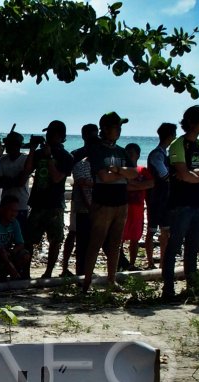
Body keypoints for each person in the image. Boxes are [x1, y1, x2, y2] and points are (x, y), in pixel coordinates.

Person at [164, 105, 199, 301]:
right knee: (174, 246)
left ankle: (191, 288)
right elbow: (183, 175)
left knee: (193, 248)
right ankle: (168, 289)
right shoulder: (178, 145)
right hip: (181, 204)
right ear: (192, 123)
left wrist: (196, 174)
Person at [80, 112, 134, 292]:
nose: (118, 131)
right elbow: (103, 176)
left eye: (120, 127)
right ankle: (86, 282)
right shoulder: (97, 150)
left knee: (115, 244)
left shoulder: (121, 151)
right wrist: (123, 174)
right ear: (105, 129)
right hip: (103, 203)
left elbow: (134, 174)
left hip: (121, 202)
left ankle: (112, 280)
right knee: (95, 243)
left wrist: (117, 170)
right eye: (115, 127)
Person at [25, 120, 74, 279]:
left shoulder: (66, 157)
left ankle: (48, 272)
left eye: (51, 134)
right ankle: (25, 272)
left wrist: (50, 156)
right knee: (29, 239)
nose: (47, 136)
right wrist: (33, 149)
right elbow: (27, 170)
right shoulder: (39, 153)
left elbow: (57, 177)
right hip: (38, 203)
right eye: (47, 133)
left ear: (60, 137)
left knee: (55, 240)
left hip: (54, 204)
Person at [143, 122, 177, 270]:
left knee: (163, 230)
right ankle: (152, 261)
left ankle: (162, 261)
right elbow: (164, 175)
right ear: (170, 136)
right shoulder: (157, 154)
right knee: (154, 229)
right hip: (157, 197)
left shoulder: (161, 154)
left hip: (162, 196)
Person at [67, 124, 99, 279]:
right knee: (79, 236)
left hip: (89, 203)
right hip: (81, 203)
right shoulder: (78, 156)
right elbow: (80, 183)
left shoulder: (81, 155)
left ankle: (83, 269)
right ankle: (79, 269)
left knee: (84, 237)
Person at [0, 195, 29, 281]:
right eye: (11, 210)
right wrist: (11, 268)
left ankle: (12, 276)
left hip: (6, 253)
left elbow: (21, 243)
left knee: (24, 254)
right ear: (2, 209)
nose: (14, 214)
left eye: (16, 211)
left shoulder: (14, 223)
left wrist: (13, 251)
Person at [122, 143, 154, 270]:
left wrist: (132, 184)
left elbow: (151, 184)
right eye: (127, 154)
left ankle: (131, 264)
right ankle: (120, 262)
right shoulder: (122, 170)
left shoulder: (142, 170)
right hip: (124, 207)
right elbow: (124, 187)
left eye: (131, 154)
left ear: (138, 155)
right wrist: (139, 185)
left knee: (135, 238)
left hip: (138, 208)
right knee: (120, 238)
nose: (129, 157)